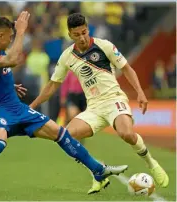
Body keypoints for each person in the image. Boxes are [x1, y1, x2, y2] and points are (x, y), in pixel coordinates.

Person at [0, 12, 128, 197]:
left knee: (61, 133)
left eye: (14, 36)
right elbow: (11, 61)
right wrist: (21, 32)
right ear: (0, 36)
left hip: (18, 108)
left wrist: (4, 84)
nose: (12, 40)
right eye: (10, 37)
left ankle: (98, 170)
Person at [30, 13, 169, 194]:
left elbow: (126, 68)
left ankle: (152, 163)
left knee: (126, 134)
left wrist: (140, 92)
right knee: (67, 138)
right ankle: (97, 174)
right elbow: (52, 86)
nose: (82, 37)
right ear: (70, 35)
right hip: (94, 107)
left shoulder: (104, 46)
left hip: (114, 100)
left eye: (84, 32)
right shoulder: (67, 56)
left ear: (88, 29)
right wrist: (32, 106)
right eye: (77, 35)